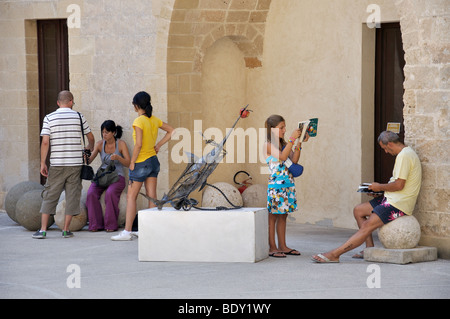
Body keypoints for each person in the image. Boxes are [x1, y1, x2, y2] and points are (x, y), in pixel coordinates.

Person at [312, 131, 422, 263]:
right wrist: (379, 191)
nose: (386, 152)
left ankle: (335, 254)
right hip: (391, 198)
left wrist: (379, 187)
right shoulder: (405, 154)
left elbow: (399, 185)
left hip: (399, 204)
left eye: (385, 148)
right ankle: (369, 248)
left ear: (391, 144)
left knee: (367, 226)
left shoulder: (404, 156)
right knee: (358, 210)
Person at [111, 91, 174, 241]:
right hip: (153, 161)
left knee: (131, 197)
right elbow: (171, 130)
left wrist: (132, 162)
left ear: (136, 105)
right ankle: (150, 230)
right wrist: (158, 145)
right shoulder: (154, 120)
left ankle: (127, 232)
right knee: (152, 197)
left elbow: (138, 144)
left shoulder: (139, 121)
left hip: (141, 162)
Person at [33, 91, 95, 239]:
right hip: (75, 164)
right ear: (71, 101)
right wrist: (89, 147)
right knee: (72, 196)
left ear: (58, 102)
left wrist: (42, 162)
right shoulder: (79, 117)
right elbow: (91, 137)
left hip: (57, 164)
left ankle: (42, 230)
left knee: (50, 195)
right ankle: (66, 230)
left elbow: (46, 141)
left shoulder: (49, 118)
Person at [264, 115, 306, 258]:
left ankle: (283, 246)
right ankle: (272, 247)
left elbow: (293, 159)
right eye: (281, 127)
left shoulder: (283, 144)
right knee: (273, 216)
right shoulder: (268, 144)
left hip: (288, 184)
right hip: (276, 186)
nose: (284, 130)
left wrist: (299, 142)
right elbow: (282, 157)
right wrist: (292, 139)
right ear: (273, 129)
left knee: (283, 216)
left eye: (284, 127)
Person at [86, 120, 130, 232]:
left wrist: (118, 158)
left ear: (114, 132)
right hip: (103, 176)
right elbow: (89, 161)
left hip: (117, 176)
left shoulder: (121, 144)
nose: (104, 134)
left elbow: (129, 163)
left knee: (110, 194)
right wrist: (85, 155)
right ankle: (95, 225)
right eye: (103, 132)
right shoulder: (100, 144)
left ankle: (111, 225)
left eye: (107, 132)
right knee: (91, 193)